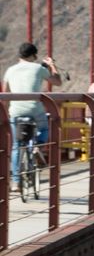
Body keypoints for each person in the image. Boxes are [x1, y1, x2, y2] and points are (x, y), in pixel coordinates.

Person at [3, 42, 62, 192]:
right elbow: (58, 82)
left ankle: (16, 182)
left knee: (17, 145)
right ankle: (38, 145)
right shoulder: (39, 68)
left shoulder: (10, 70)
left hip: (16, 111)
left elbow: (5, 94)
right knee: (43, 128)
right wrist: (52, 65)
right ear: (33, 55)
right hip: (35, 110)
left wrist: (6, 113)